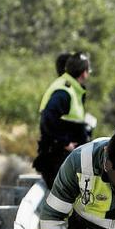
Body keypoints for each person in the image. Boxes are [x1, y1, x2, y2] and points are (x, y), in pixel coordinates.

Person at [34, 52, 92, 187]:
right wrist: (65, 143)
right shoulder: (64, 91)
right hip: (57, 160)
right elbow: (47, 118)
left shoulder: (74, 89)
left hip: (65, 160)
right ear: (84, 73)